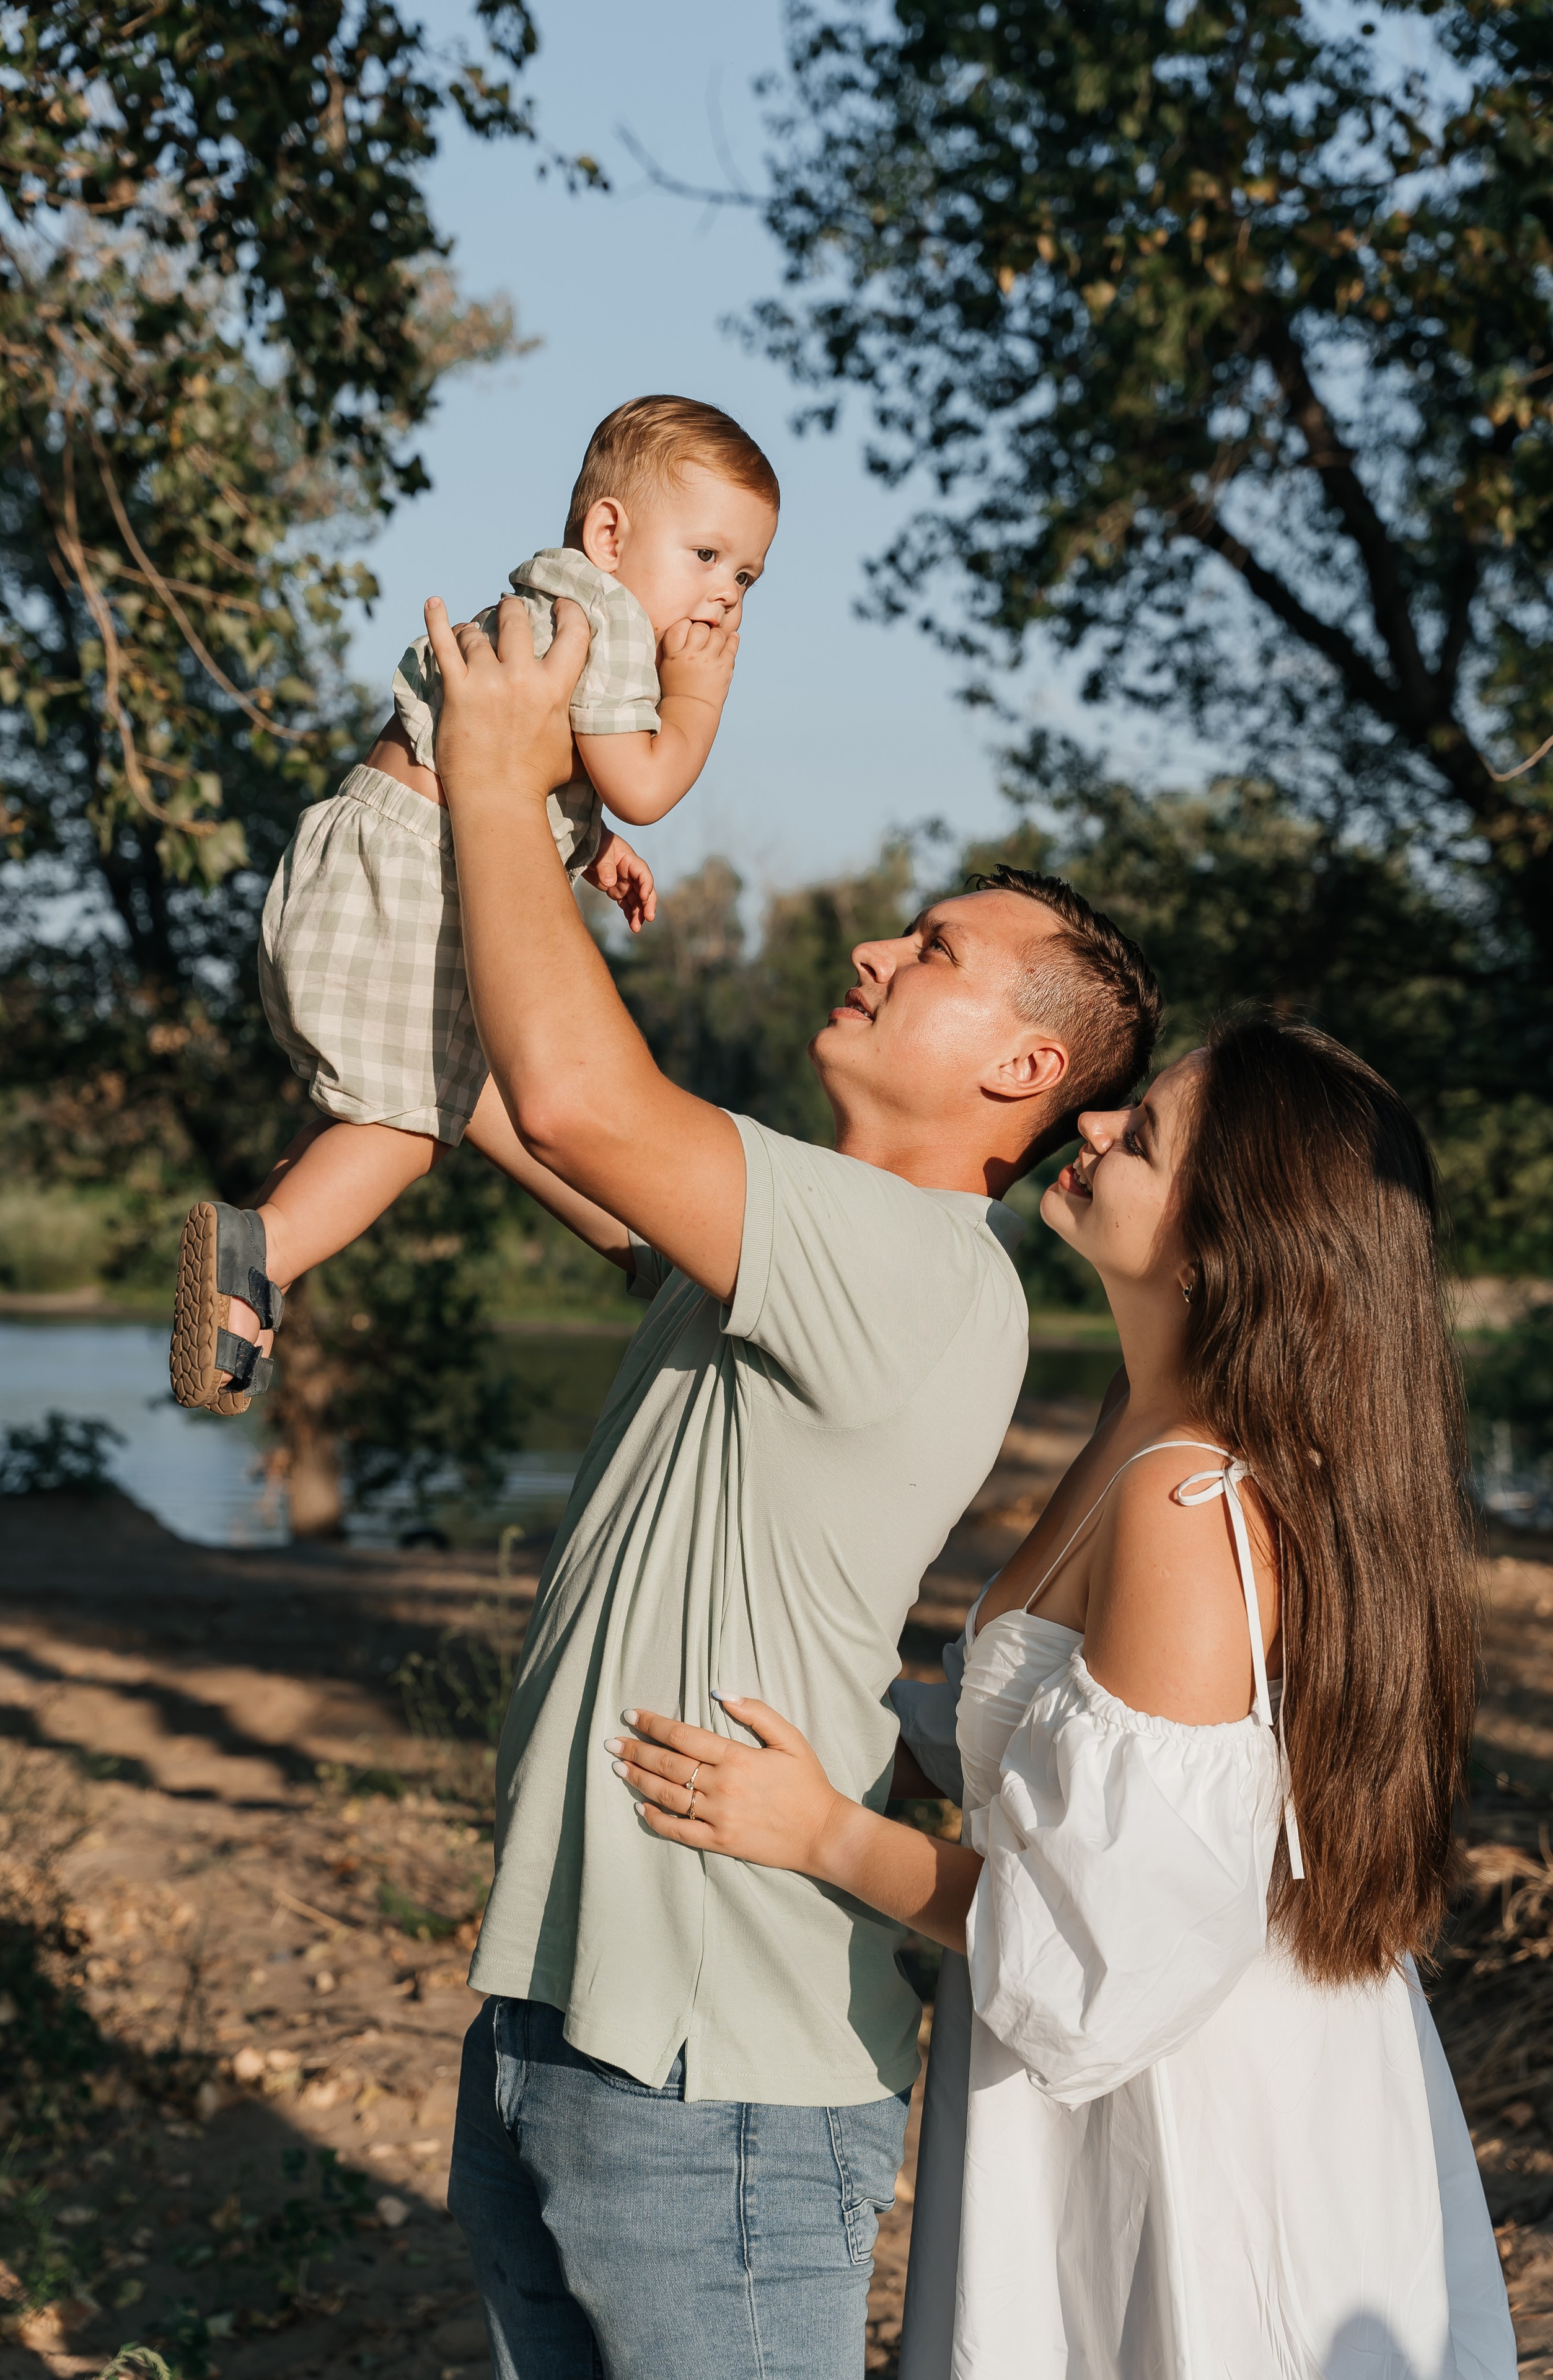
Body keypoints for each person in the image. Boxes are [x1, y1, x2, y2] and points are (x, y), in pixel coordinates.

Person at [415, 594, 1162, 2378]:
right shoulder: (789, 1236)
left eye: (942, 950)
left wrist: (492, 766)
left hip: (713, 2069)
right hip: (568, 2011)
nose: (886, 947)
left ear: (1022, 1069)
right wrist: (526, 839)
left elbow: (587, 1105)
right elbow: (519, 1102)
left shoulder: (908, 1257)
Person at [615, 1012, 1516, 2379]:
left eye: (1140, 1135)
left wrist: (819, 1835)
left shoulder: (1190, 1496)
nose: (1091, 1125)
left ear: (1223, 1242)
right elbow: (1054, 1746)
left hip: (1186, 2110)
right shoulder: (1141, 1417)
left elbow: (1092, 1961)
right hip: (1178, 2063)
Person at [168, 395, 778, 1416]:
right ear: (612, 534)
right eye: (708, 557)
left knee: (432, 1088)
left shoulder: (542, 600)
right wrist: (702, 695)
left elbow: (519, 769)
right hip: (412, 887)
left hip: (358, 854)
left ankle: (647, 1251)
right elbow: (648, 782)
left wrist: (590, 850)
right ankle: (259, 1251)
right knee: (412, 1129)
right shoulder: (617, 627)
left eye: (748, 577)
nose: (724, 600)